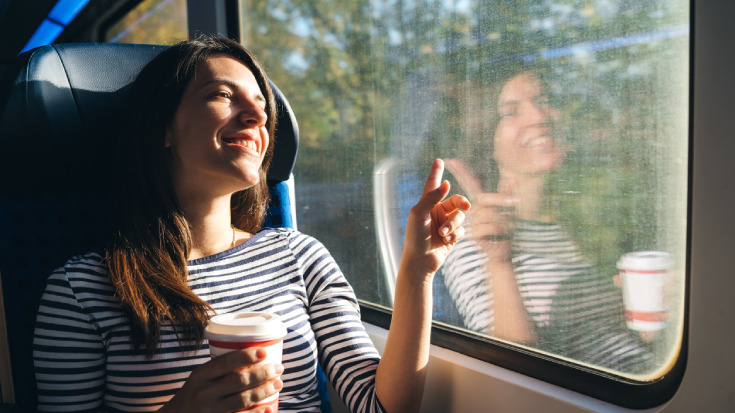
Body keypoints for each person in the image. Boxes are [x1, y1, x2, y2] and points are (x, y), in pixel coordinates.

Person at [31, 36, 470, 413]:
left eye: (261, 105)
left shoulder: (300, 257)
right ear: (162, 127)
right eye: (222, 95)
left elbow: (379, 407)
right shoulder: (81, 290)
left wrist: (417, 272)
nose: (258, 117)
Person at [439, 64, 656, 374]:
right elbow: (512, 370)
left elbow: (622, 336)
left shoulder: (584, 216)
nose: (539, 117)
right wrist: (500, 261)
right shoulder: (477, 234)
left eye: (543, 100)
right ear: (488, 138)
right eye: (511, 112)